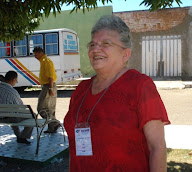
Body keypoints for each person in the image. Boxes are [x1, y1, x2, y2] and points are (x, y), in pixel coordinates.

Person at [64, 15, 170, 172]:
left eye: (106, 43)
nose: (95, 49)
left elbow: (157, 147)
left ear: (125, 54)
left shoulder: (140, 86)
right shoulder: (81, 89)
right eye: (92, 44)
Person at [0, 71, 33, 144]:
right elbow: (21, 107)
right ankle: (22, 137)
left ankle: (18, 135)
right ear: (13, 80)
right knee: (33, 116)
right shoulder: (12, 92)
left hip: (1, 117)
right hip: (9, 118)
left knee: (12, 113)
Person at [33, 47, 60, 133]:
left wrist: (50, 88)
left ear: (40, 53)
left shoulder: (46, 61)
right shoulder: (43, 61)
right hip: (48, 85)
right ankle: (52, 127)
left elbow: (51, 76)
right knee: (50, 109)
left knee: (41, 108)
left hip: (48, 86)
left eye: (36, 54)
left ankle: (55, 122)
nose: (35, 57)